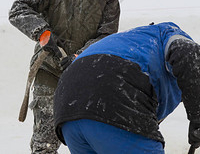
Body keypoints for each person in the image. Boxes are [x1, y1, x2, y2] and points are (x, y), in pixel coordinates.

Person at [9, 0, 120, 154]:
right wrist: (43, 33)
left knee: (89, 135)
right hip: (48, 68)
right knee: (46, 140)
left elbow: (107, 35)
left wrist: (80, 56)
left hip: (86, 73)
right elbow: (19, 9)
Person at [54, 22, 200, 154]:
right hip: (112, 93)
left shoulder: (134, 42)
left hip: (67, 108)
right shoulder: (169, 33)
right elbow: (188, 53)